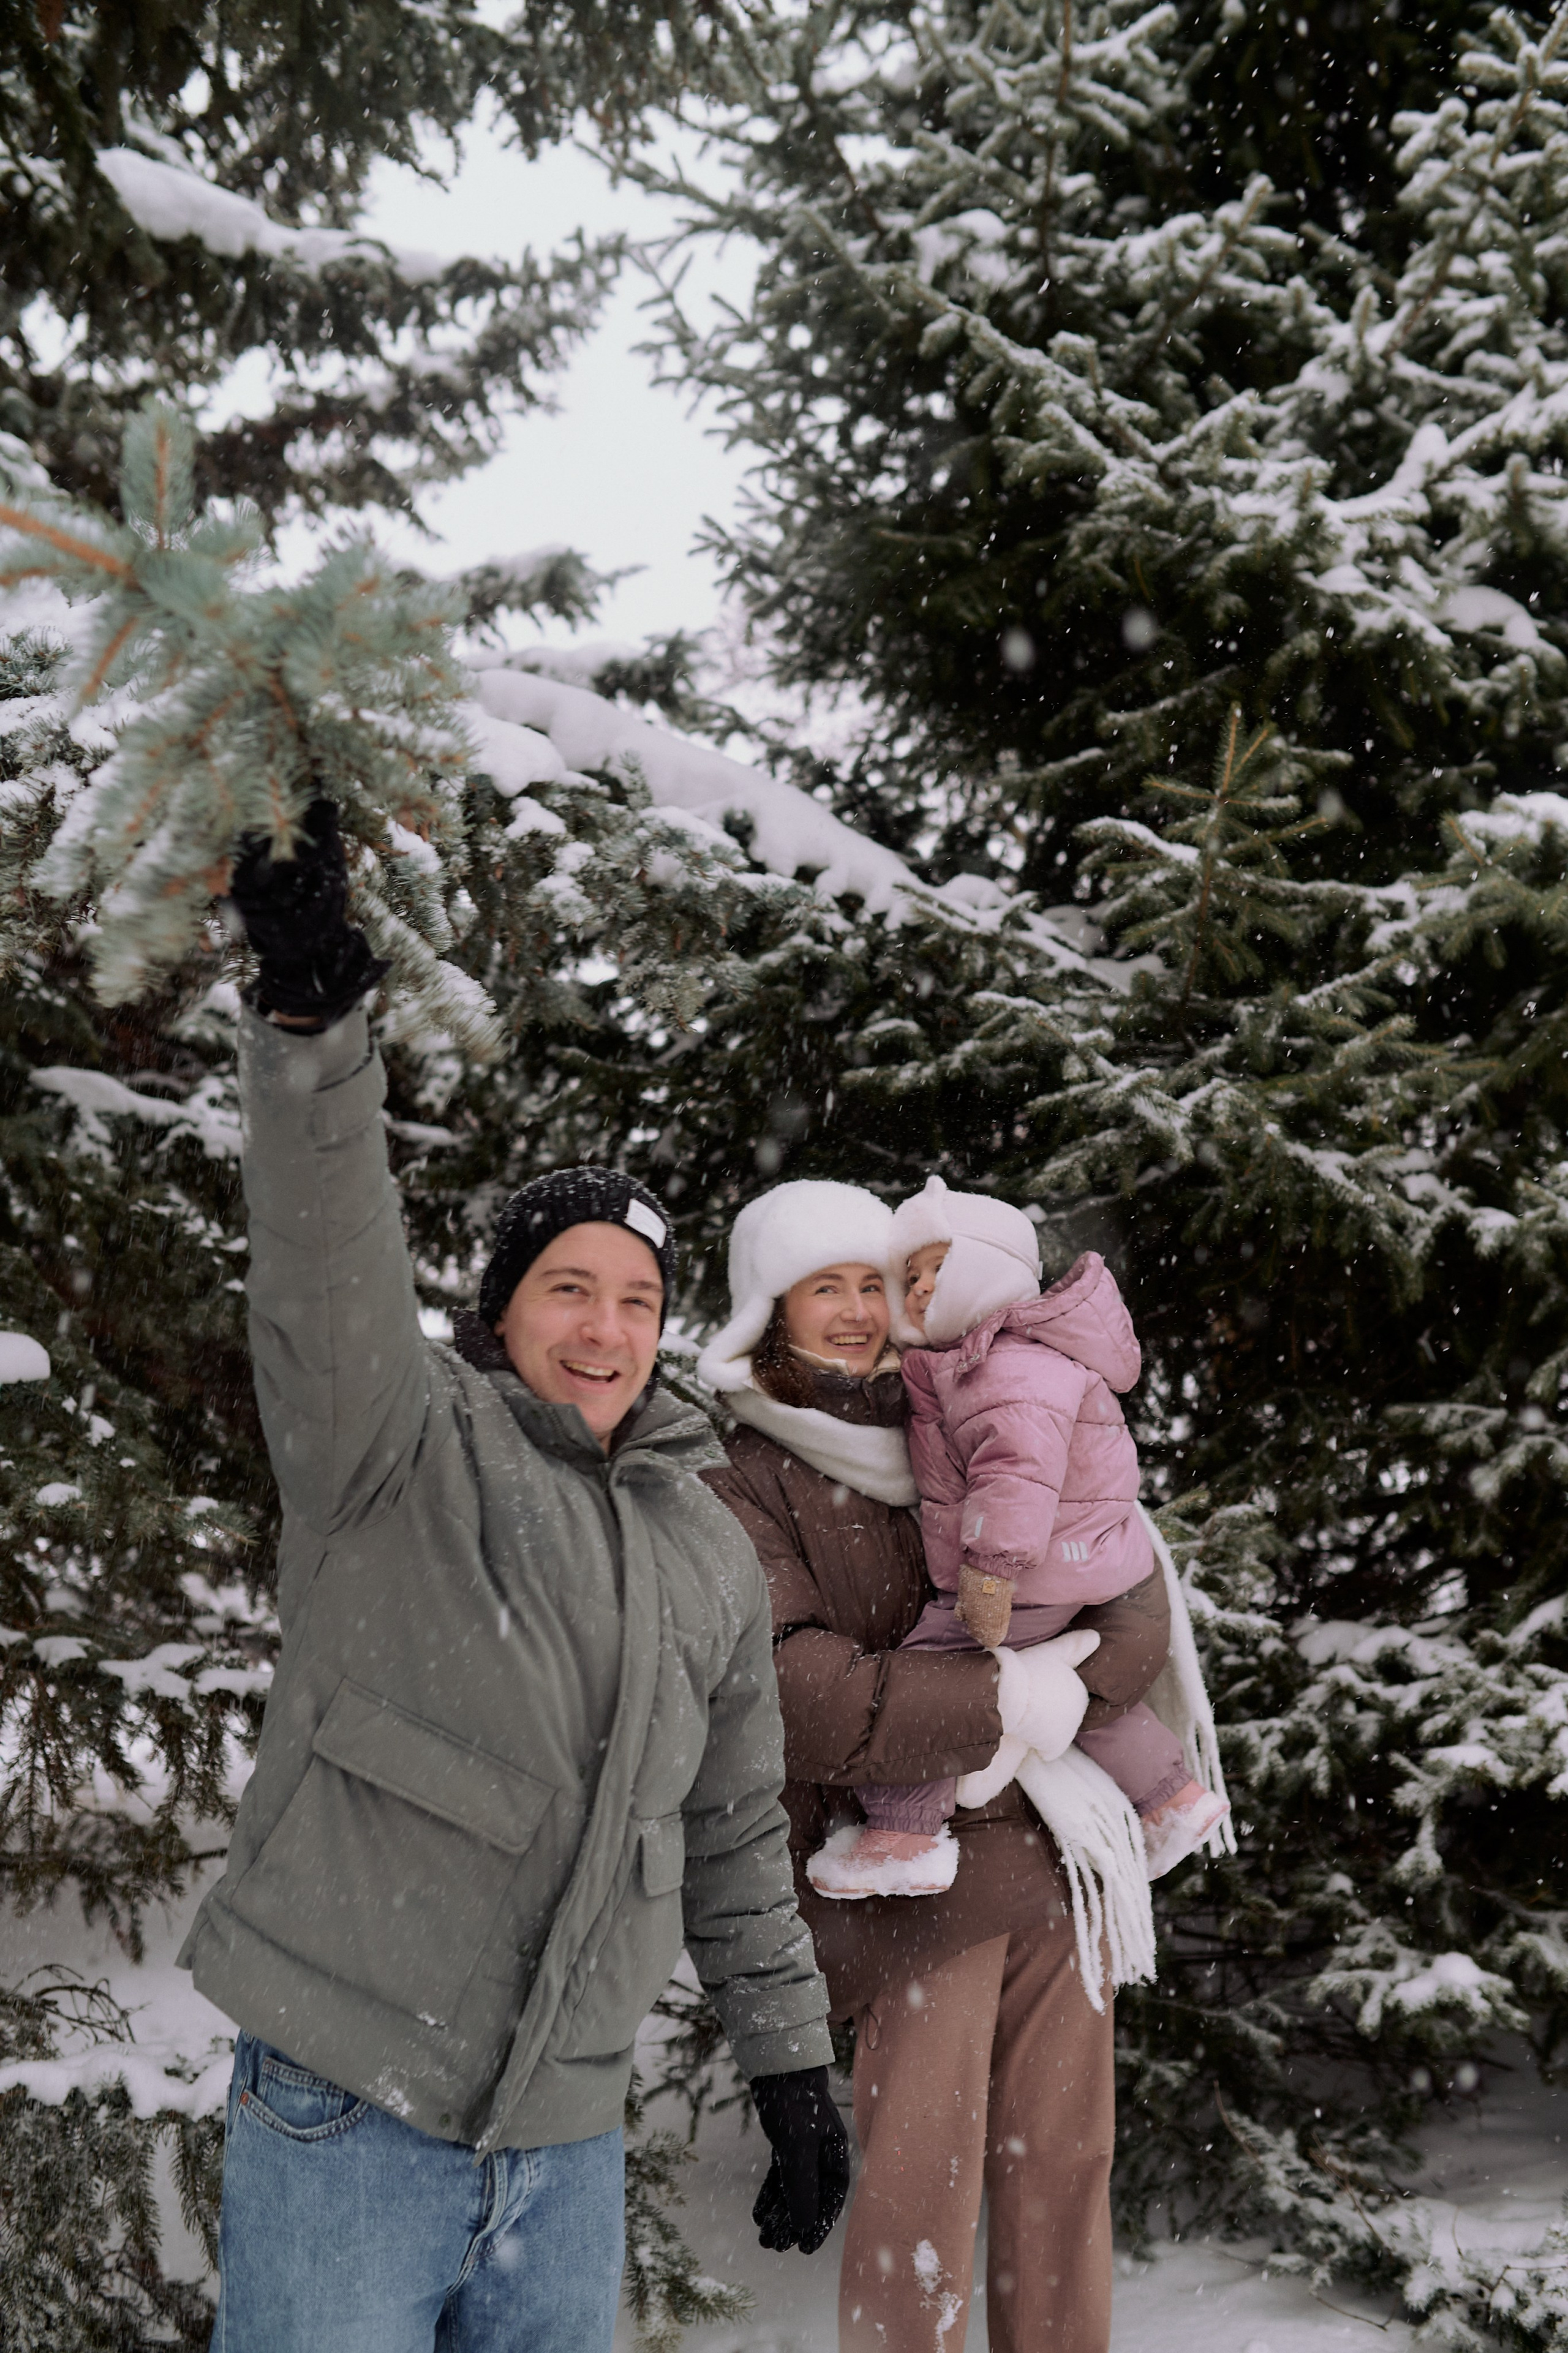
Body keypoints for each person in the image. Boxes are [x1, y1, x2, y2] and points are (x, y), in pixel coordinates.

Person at [181, 804, 848, 2353]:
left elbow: (733, 1824)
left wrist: (790, 2061)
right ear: (501, 1310)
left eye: (636, 1294)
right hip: (351, 2101)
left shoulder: (706, 1544)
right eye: (568, 1286)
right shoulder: (396, 1450)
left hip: (567, 2136)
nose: (606, 1325)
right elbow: (323, 1256)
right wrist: (312, 1029)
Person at [696, 1179, 1174, 2353]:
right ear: (771, 1311)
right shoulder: (741, 1480)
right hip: (906, 1892)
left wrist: (1076, 1683)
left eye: (876, 1281)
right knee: (923, 2200)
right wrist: (1007, 1693)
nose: (862, 1309)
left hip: (1062, 1856)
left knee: (1065, 2174)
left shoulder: (972, 1395)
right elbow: (801, 1697)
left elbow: (1130, 1595)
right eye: (829, 1287)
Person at [808, 1176, 1228, 1900]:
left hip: (1030, 1568)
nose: (917, 1289)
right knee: (1064, 1694)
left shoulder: (1003, 1366)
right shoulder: (985, 1358)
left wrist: (990, 1573)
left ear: (986, 1271)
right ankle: (1173, 1799)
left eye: (937, 1270)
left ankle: (906, 1832)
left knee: (934, 1673)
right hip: (1068, 1565)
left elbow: (1017, 1477)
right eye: (909, 1275)